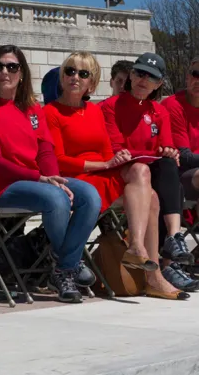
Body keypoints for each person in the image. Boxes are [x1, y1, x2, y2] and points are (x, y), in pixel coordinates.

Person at [0, 45, 102, 304]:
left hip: (39, 182)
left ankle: (63, 265)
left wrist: (54, 179)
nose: (5, 72)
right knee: (56, 199)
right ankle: (68, 267)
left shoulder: (31, 108)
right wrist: (41, 179)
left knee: (89, 195)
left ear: (22, 73)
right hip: (4, 186)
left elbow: (45, 151)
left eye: (12, 66)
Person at [45, 52, 185, 299]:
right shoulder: (51, 111)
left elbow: (108, 150)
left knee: (149, 188)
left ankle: (146, 262)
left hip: (104, 171)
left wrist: (115, 160)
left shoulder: (93, 111)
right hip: (76, 176)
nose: (75, 77)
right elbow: (57, 159)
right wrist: (106, 163)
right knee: (146, 186)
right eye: (70, 71)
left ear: (91, 82)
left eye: (83, 73)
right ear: (62, 77)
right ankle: (147, 265)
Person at [102, 52, 195, 288]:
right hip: (121, 173)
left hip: (148, 173)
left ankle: (173, 238)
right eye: (140, 73)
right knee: (155, 185)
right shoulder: (110, 106)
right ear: (131, 76)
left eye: (151, 77)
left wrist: (167, 152)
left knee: (167, 166)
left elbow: (166, 147)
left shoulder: (158, 111)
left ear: (159, 83)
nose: (144, 80)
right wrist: (154, 153)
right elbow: (116, 149)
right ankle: (162, 261)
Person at [166, 57, 199, 205]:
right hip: (179, 174)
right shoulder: (173, 105)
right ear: (187, 77)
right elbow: (184, 157)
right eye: (195, 74)